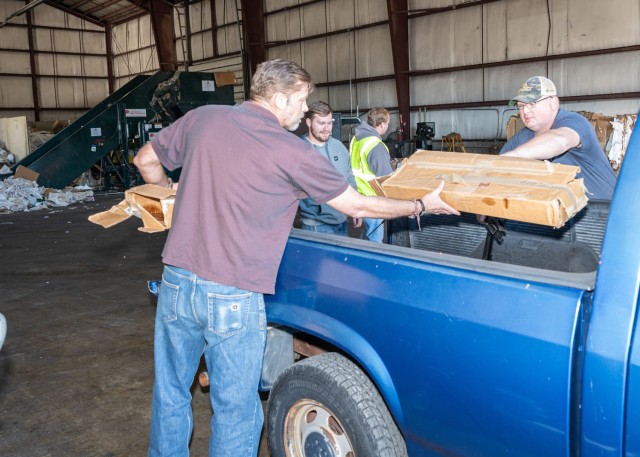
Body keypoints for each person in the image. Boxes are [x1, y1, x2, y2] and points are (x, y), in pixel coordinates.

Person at [134, 58, 459, 457]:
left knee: (170, 392)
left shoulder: (203, 118)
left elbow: (145, 160)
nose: (306, 111)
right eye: (303, 101)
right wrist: (419, 205)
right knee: (235, 409)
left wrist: (170, 195)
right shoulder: (291, 150)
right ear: (281, 97)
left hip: (176, 280)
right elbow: (355, 203)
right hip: (233, 293)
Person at [501, 75, 617, 200]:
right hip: (564, 211)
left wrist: (515, 156)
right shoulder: (521, 138)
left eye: (532, 103)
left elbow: (559, 140)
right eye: (521, 106)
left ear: (553, 103)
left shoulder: (574, 122)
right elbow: (497, 169)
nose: (525, 111)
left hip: (605, 211)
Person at [298, 101, 361, 236]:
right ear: (309, 122)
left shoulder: (338, 146)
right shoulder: (299, 150)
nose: (326, 128)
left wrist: (356, 207)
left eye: (329, 123)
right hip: (316, 226)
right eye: (321, 123)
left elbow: (349, 176)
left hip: (342, 222)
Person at [350, 107, 394, 242]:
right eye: (387, 123)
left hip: (358, 195)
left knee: (367, 234)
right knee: (375, 240)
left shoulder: (357, 139)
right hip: (373, 199)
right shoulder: (375, 145)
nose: (387, 126)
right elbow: (385, 178)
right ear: (381, 124)